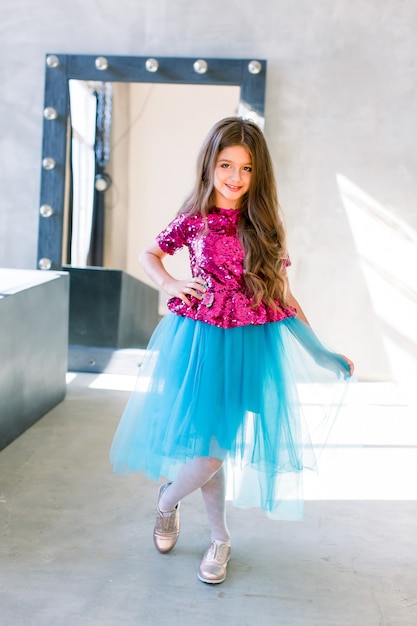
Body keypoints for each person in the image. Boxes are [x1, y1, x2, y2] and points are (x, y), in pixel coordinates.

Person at [110, 116, 354, 585]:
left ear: (258, 174)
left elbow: (283, 297)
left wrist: (321, 352)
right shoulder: (195, 218)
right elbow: (150, 254)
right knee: (210, 450)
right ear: (211, 165)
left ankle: (170, 503)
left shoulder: (265, 227)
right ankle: (216, 536)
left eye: (245, 168)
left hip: (247, 348)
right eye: (226, 164)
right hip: (198, 343)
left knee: (213, 450)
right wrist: (170, 282)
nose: (235, 177)